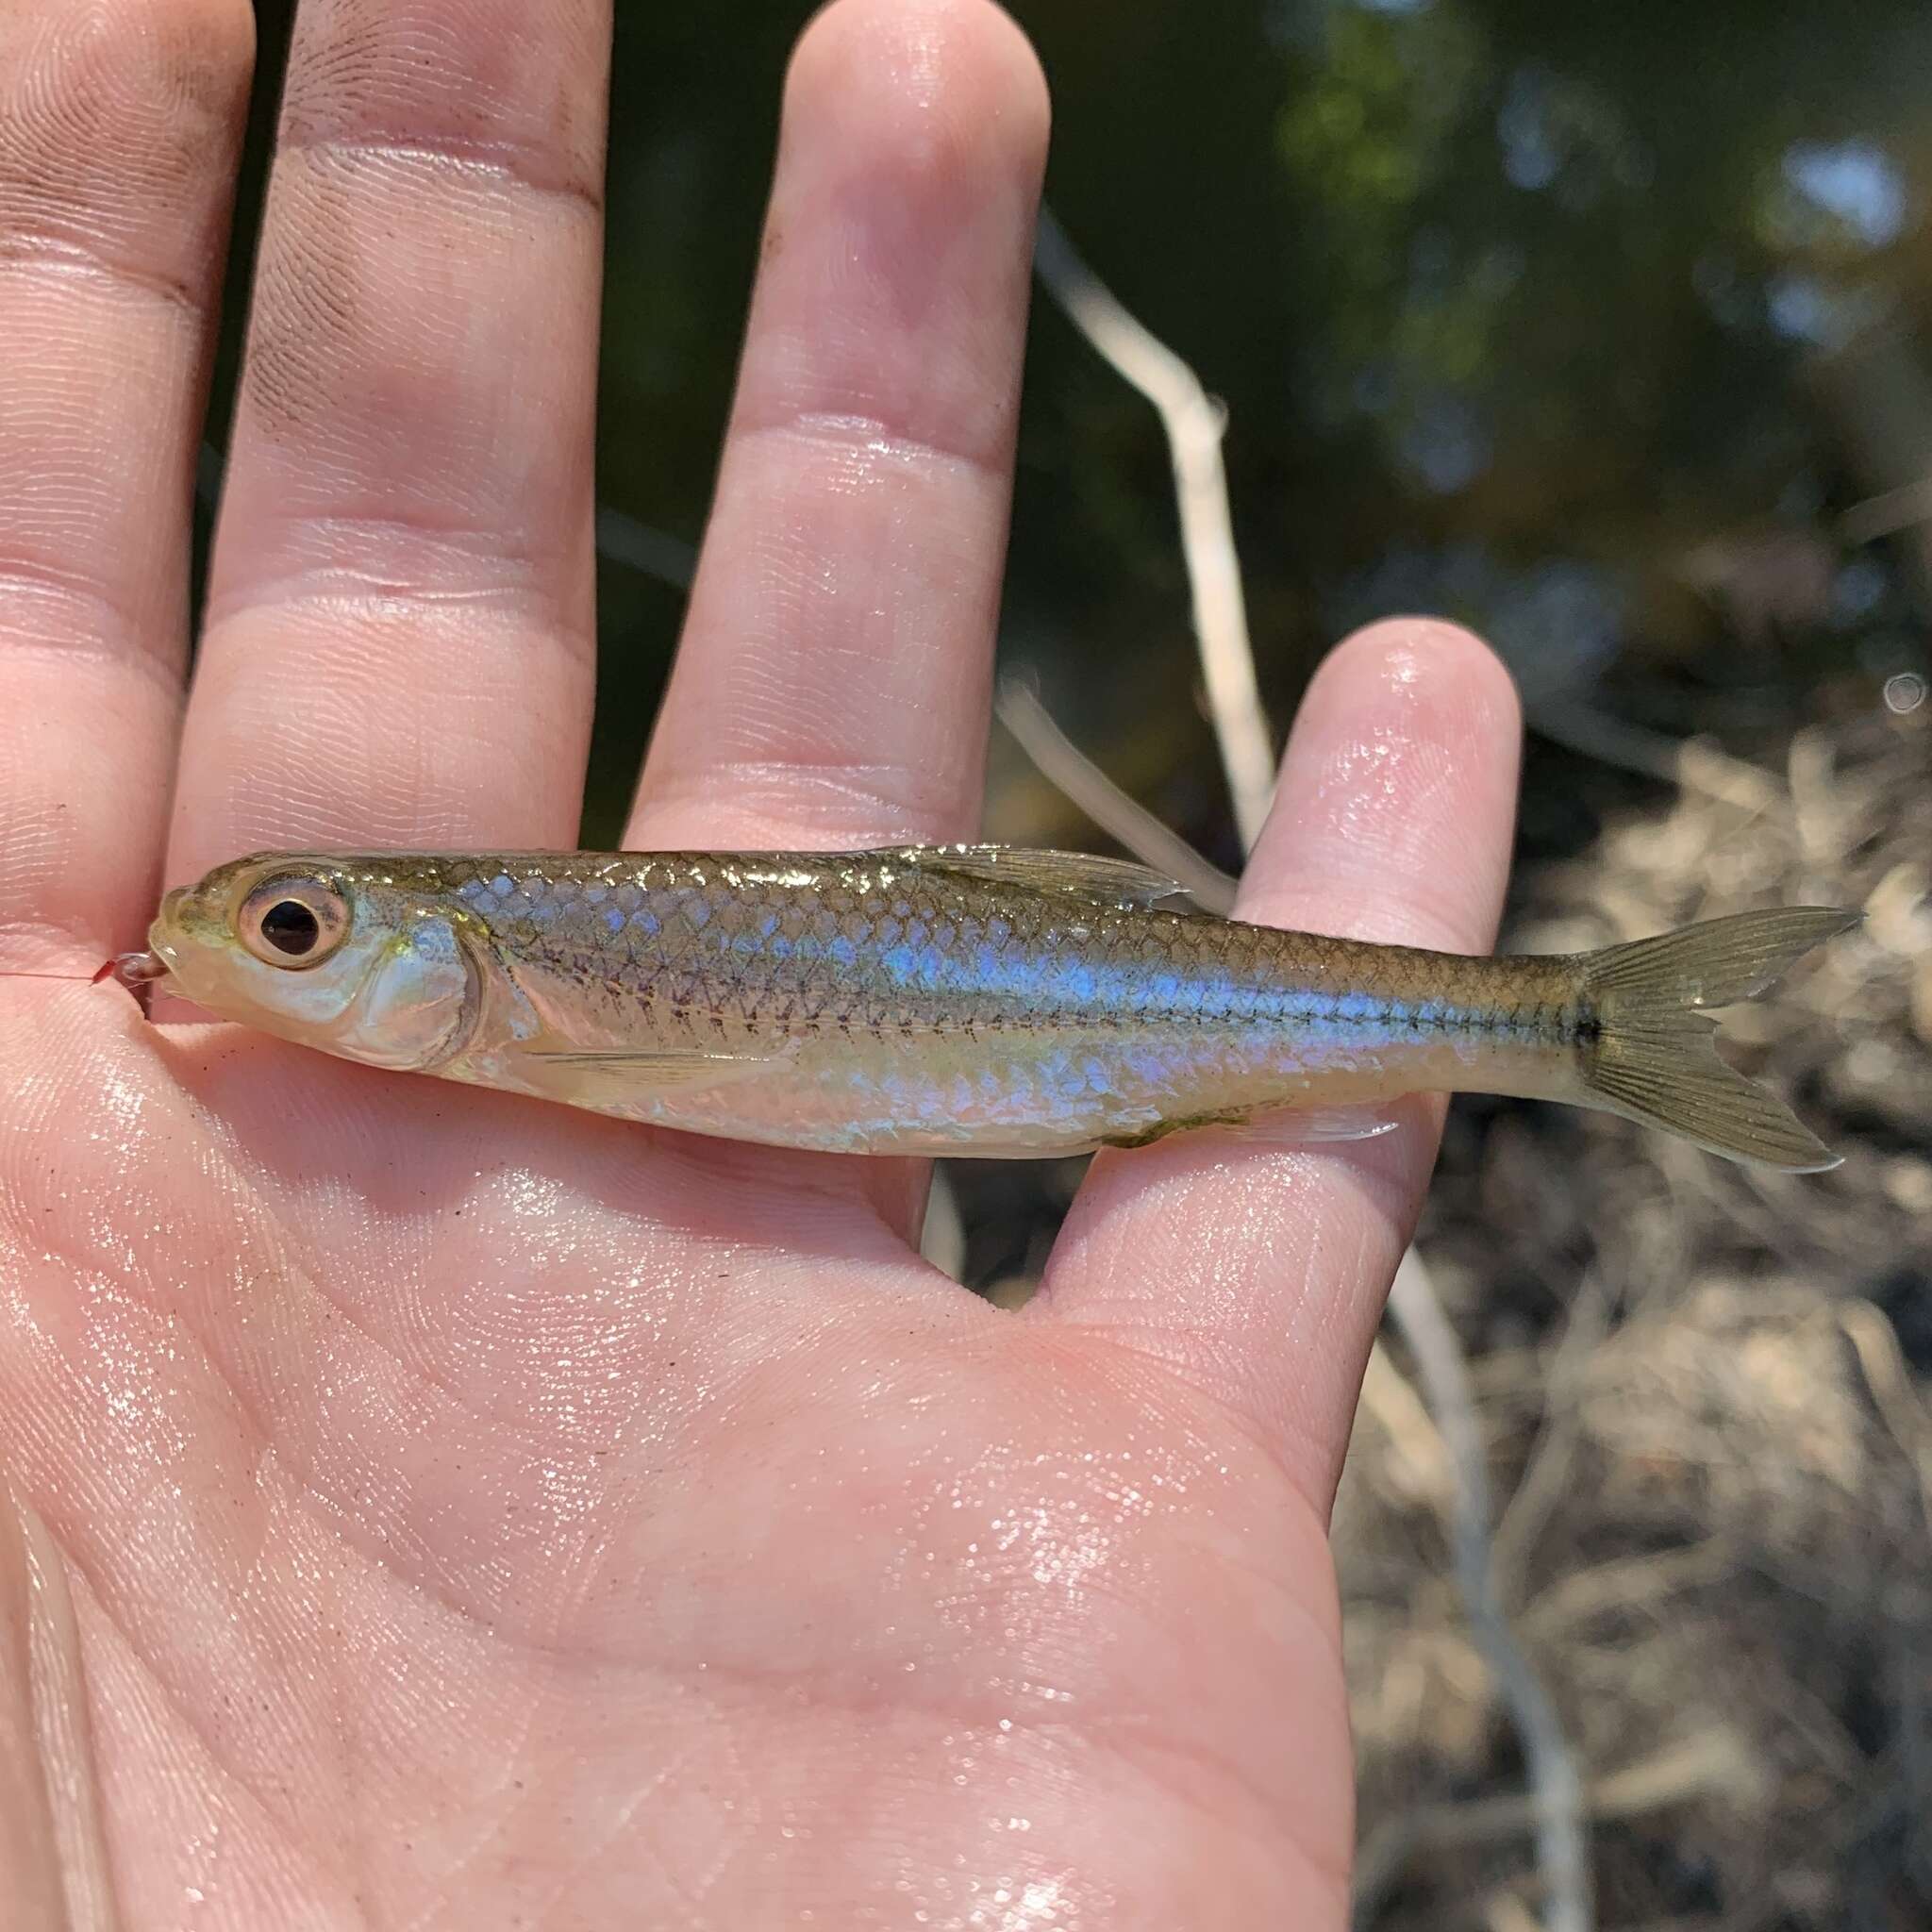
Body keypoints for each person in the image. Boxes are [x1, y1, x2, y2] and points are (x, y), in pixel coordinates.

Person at [0, 1, 1521, 1923]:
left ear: (448, 962)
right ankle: (1536, 1027)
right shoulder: (511, 1001)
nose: (251, 962)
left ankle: (1551, 1025)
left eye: (295, 933)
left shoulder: (539, 979)